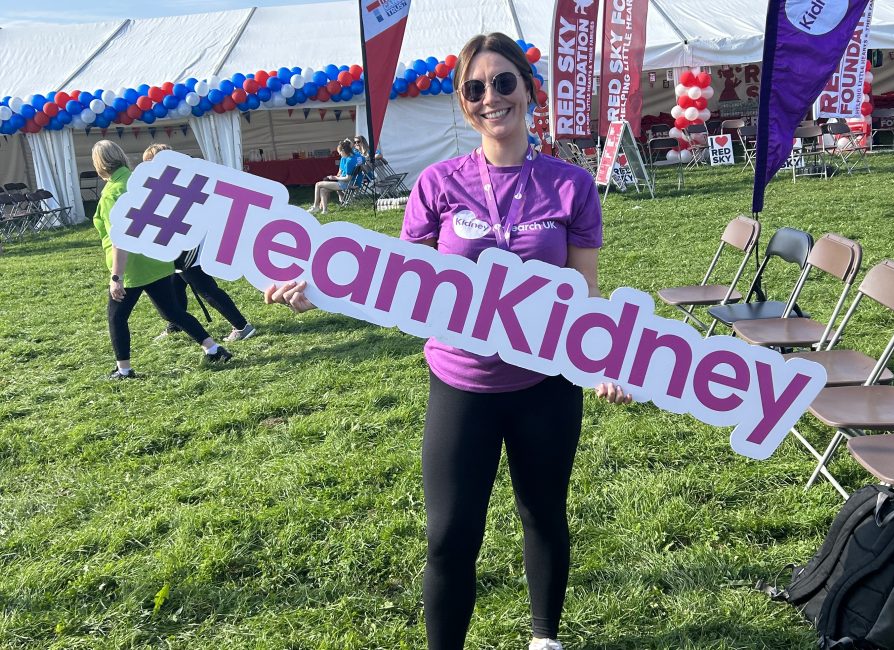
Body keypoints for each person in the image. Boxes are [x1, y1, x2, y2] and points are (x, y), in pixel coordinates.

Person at [265, 32, 631, 650]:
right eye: (476, 89)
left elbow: (584, 293)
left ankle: (544, 638)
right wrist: (322, 288)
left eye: (504, 82)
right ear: (465, 104)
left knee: (542, 514)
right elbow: (394, 277)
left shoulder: (571, 186)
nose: (492, 97)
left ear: (528, 89)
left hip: (546, 384)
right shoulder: (439, 184)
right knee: (450, 536)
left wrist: (601, 360)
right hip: (463, 382)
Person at [90, 140, 231, 379]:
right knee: (173, 312)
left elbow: (120, 238)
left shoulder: (111, 193)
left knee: (117, 317)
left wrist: (116, 276)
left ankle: (124, 370)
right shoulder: (140, 182)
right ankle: (214, 349)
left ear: (99, 165)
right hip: (157, 257)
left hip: (133, 267)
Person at [142, 144, 256, 343]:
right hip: (182, 244)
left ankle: (241, 325)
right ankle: (176, 323)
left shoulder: (177, 182)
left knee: (205, 289)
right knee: (174, 284)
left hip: (187, 246)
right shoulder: (180, 179)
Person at [308, 139, 363, 213]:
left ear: (343, 151)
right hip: (355, 181)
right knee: (322, 190)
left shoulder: (349, 161)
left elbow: (347, 178)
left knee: (318, 184)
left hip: (347, 184)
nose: (340, 155)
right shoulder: (358, 156)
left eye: (340, 152)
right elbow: (363, 163)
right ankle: (324, 210)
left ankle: (315, 206)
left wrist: (335, 177)